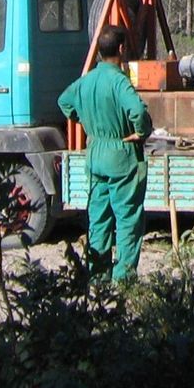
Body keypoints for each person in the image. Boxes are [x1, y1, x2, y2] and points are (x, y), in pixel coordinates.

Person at [59, 25, 152, 282]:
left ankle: (97, 276)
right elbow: (138, 112)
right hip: (121, 153)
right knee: (127, 219)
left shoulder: (87, 80)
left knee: (98, 218)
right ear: (121, 49)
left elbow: (64, 101)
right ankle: (123, 278)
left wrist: (85, 121)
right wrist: (141, 132)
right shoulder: (119, 81)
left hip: (96, 152)